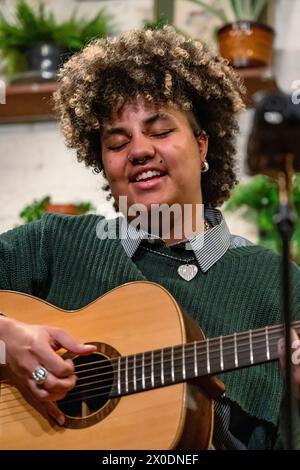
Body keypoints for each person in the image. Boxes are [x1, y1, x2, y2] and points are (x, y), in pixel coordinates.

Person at [1, 26, 300, 450]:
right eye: (117, 142)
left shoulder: (278, 285)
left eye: (160, 132)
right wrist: (6, 342)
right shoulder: (51, 245)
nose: (139, 150)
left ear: (202, 147)